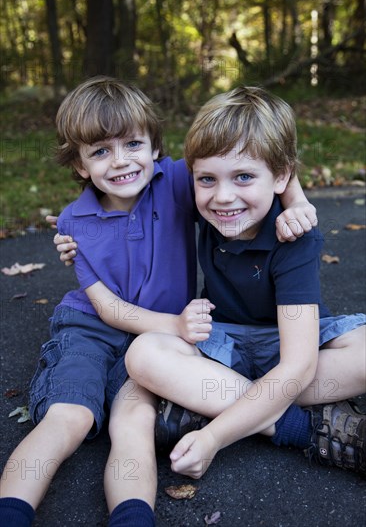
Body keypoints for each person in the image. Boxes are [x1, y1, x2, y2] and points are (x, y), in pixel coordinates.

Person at [0, 78, 317, 527]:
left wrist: (297, 199)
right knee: (67, 417)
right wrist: (176, 326)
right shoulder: (75, 222)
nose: (122, 160)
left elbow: (252, 156)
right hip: (93, 327)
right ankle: (12, 511)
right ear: (79, 164)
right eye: (100, 151)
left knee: (133, 425)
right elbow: (109, 310)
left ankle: (132, 519)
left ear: (154, 148)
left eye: (133, 143)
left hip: (155, 340)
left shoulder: (177, 184)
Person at [124, 86, 366, 479]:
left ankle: (207, 401)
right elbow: (128, 178)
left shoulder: (295, 236)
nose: (223, 196)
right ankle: (300, 426)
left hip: (291, 345)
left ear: (281, 177)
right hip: (223, 344)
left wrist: (213, 438)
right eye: (206, 179)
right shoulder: (212, 202)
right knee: (143, 354)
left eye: (243, 177)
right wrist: (75, 234)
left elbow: (300, 365)